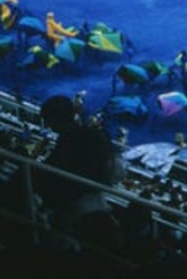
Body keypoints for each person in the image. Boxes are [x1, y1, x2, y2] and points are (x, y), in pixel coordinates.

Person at [39, 94, 126, 250]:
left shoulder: (64, 146)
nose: (47, 125)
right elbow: (116, 172)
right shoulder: (95, 136)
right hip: (94, 202)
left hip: (74, 210)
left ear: (54, 120)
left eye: (48, 121)